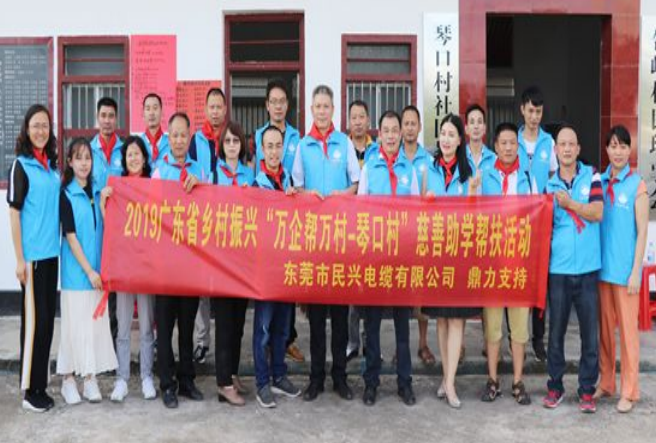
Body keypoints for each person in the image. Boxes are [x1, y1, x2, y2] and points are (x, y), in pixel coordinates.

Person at [292, 85, 359, 402]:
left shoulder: (344, 143)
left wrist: (340, 196)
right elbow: (296, 188)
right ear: (311, 110)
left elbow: (356, 184)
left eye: (326, 106)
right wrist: (310, 196)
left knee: (340, 317)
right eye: (317, 106)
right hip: (314, 245)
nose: (321, 111)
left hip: (341, 242)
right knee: (317, 318)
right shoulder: (302, 146)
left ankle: (340, 377)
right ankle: (316, 378)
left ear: (333, 109)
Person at [358, 110, 419, 407]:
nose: (393, 135)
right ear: (379, 134)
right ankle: (371, 381)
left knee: (402, 327)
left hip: (402, 258)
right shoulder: (370, 168)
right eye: (387, 130)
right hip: (376, 257)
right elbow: (360, 212)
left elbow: (418, 213)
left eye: (396, 130)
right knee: (371, 326)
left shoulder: (410, 169)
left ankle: (404, 382)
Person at [542, 124, 603, 413]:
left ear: (578, 149)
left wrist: (570, 204)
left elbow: (597, 212)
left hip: (588, 268)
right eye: (562, 144)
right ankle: (555, 387)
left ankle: (587, 390)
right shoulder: (548, 186)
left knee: (589, 335)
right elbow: (544, 228)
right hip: (559, 270)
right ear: (555, 150)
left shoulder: (593, 176)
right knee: (556, 333)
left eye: (571, 144)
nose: (567, 149)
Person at [422, 113, 480, 409]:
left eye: (451, 134)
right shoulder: (428, 170)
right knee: (442, 319)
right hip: (436, 253)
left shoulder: (471, 174)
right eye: (442, 133)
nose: (446, 139)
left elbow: (477, 216)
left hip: (460, 254)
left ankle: (451, 383)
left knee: (457, 318)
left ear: (460, 141)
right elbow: (419, 214)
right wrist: (427, 203)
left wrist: (471, 194)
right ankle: (446, 378)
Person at [7, 104, 60, 412]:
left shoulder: (50, 168)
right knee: (33, 325)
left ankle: (40, 385)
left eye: (45, 125)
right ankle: (29, 391)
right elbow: (14, 214)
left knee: (47, 324)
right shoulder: (21, 166)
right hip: (33, 259)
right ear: (27, 130)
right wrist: (19, 259)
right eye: (36, 125)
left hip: (52, 255)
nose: (41, 131)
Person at [480, 122, 537, 406]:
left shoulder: (527, 177)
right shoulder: (484, 177)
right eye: (503, 143)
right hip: (492, 262)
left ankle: (517, 381)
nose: (508, 147)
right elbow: (474, 214)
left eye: (512, 142)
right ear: (495, 146)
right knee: (492, 328)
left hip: (519, 263)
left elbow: (537, 217)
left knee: (519, 328)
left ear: (518, 146)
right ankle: (492, 380)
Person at [57, 138, 118, 405]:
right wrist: (89, 271)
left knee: (93, 329)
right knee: (74, 328)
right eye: (78, 158)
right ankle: (68, 380)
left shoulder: (96, 192)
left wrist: (103, 205)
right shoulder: (66, 195)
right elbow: (71, 238)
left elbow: (106, 227)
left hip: (97, 273)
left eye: (87, 158)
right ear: (70, 162)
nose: (84, 163)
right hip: (77, 275)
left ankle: (90, 378)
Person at [152, 112, 204, 409]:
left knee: (187, 325)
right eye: (175, 135)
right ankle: (167, 384)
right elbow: (149, 212)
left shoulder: (199, 171)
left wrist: (200, 187)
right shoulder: (158, 171)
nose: (180, 140)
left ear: (189, 137)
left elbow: (211, 209)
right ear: (168, 138)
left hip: (191, 264)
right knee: (164, 328)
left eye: (184, 135)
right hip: (164, 264)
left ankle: (187, 380)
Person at [596, 125, 648, 413]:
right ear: (607, 149)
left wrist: (635, 271)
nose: (618, 152)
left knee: (628, 335)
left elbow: (642, 233)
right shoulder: (599, 182)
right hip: (602, 271)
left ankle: (630, 390)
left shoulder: (637, 185)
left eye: (623, 146)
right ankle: (607, 383)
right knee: (605, 333)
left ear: (630, 150)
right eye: (613, 146)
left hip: (625, 274)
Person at [101, 136, 157, 402]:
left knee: (146, 325)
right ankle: (122, 378)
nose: (133, 158)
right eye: (129, 154)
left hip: (146, 266)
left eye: (137, 154)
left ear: (145, 159)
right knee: (123, 326)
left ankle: (146, 376)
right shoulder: (117, 188)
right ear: (124, 160)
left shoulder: (153, 187)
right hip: (124, 267)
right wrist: (104, 202)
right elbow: (109, 224)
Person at [253, 78, 304, 363]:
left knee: (288, 291)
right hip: (267, 225)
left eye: (282, 101)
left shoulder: (297, 137)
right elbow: (255, 175)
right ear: (266, 105)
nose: (278, 106)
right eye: (273, 101)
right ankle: (268, 360)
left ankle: (286, 343)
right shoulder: (259, 136)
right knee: (268, 302)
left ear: (288, 105)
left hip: (290, 223)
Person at [252, 125, 302, 408]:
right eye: (269, 146)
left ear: (283, 148)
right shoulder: (256, 184)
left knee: (283, 327)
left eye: (277, 146)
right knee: (263, 329)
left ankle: (279, 375)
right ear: (262, 150)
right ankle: (262, 383)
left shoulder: (288, 180)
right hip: (265, 270)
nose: (273, 152)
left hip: (287, 267)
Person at [210, 121, 254, 406]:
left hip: (244, 260)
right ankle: (223, 383)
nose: (232, 146)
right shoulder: (213, 175)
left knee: (238, 322)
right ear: (221, 146)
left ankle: (233, 373)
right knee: (224, 324)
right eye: (227, 141)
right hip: (221, 262)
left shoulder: (250, 174)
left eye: (236, 141)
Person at [189, 87, 228, 363]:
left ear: (225, 110)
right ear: (205, 110)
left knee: (225, 282)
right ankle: (202, 341)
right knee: (201, 284)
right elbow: (190, 174)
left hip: (227, 221)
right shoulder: (195, 140)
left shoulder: (231, 137)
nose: (215, 111)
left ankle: (225, 340)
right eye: (211, 107)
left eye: (219, 107)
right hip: (201, 220)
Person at [518, 86, 556, 362]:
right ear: (522, 110)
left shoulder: (548, 143)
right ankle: (515, 336)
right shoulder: (512, 140)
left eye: (538, 112)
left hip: (542, 223)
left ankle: (538, 339)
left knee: (540, 281)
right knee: (518, 279)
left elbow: (554, 174)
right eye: (530, 111)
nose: (534, 117)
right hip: (517, 224)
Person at [400, 105, 437, 367]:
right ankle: (401, 345)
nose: (410, 128)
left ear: (420, 127)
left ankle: (423, 344)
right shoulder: (393, 156)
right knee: (400, 291)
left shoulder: (429, 161)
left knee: (421, 292)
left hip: (421, 233)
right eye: (406, 124)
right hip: (398, 235)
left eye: (414, 123)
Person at [346, 99, 378, 362]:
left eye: (362, 117)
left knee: (370, 288)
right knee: (352, 288)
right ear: (349, 121)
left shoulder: (377, 150)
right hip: (348, 229)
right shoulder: (342, 148)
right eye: (354, 117)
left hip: (374, 230)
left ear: (368, 120)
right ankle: (352, 342)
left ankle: (370, 341)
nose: (358, 121)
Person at [90, 97, 123, 188]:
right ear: (97, 118)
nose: (107, 121)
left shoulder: (125, 151)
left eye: (111, 116)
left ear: (116, 119)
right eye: (103, 116)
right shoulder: (89, 151)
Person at [140, 93, 170, 166]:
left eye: (155, 108)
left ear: (161, 113)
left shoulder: (171, 143)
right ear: (143, 114)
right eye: (148, 109)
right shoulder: (138, 144)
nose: (151, 113)